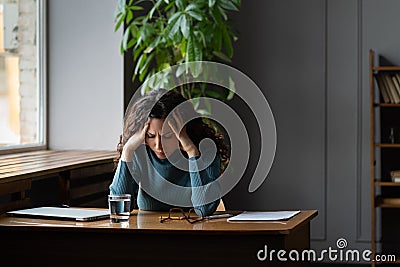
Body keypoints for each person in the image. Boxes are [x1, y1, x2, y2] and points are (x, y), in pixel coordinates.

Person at [109, 88, 229, 217]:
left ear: (182, 131)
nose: (158, 145)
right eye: (150, 136)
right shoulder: (140, 151)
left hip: (193, 231)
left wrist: (191, 151)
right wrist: (127, 151)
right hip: (148, 231)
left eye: (167, 136)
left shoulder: (206, 149)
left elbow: (204, 209)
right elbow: (119, 211)